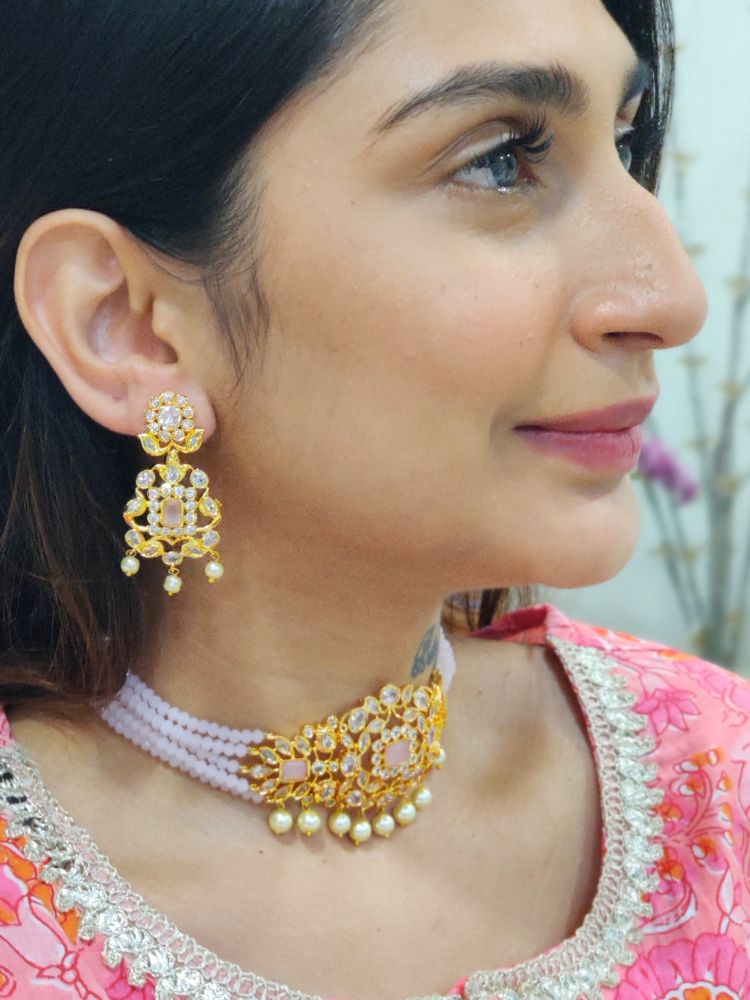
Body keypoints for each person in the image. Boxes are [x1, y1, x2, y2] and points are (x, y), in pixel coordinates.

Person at [0, 1, 746, 998]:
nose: (670, 300)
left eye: (622, 141)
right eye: (501, 158)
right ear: (131, 326)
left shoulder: (723, 775)